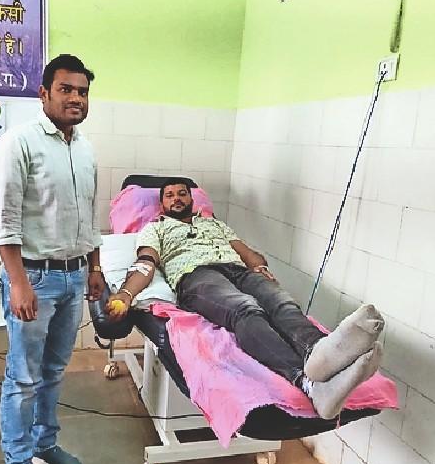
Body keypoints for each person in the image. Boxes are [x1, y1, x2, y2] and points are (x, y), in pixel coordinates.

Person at [106, 179, 384, 421]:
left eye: (182, 193)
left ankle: (319, 352)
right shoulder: (155, 229)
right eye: (169, 195)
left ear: (191, 199)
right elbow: (145, 263)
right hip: (197, 276)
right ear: (162, 204)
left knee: (282, 304)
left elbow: (246, 252)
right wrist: (126, 294)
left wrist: (260, 268)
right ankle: (306, 381)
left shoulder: (214, 224)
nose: (176, 198)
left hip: (239, 270)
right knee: (245, 309)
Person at [0, 54, 105, 464]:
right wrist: (18, 283)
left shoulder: (85, 149)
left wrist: (94, 268)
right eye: (66, 89)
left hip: (74, 276)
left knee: (54, 371)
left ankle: (44, 444)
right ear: (44, 94)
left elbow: (89, 216)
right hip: (34, 277)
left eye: (82, 91)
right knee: (23, 377)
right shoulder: (18, 143)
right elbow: (4, 222)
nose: (76, 98)